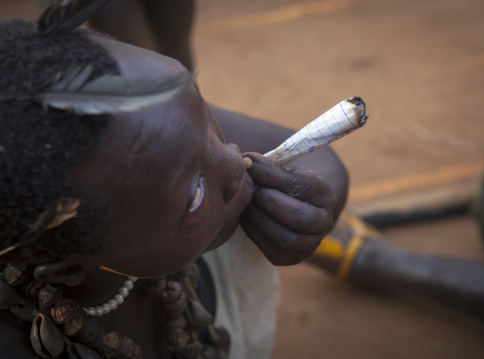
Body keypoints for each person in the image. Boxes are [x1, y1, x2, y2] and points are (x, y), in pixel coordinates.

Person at [0, 5, 348, 359]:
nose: (234, 159)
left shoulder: (149, 128)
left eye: (198, 98)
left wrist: (308, 206)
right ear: (71, 269)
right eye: (194, 194)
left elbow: (323, 163)